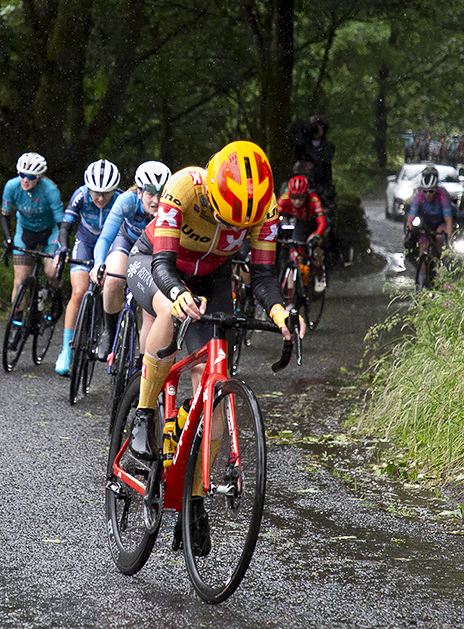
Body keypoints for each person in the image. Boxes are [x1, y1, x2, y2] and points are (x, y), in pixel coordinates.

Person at [125, 141, 301, 552]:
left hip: (212, 279)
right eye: (225, 218)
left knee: (213, 387)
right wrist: (176, 293)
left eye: (240, 225)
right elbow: (163, 264)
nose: (231, 228)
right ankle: (142, 414)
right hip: (155, 262)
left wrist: (280, 313)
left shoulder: (266, 208)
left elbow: (261, 275)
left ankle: (195, 501)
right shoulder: (184, 185)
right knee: (170, 311)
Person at [89, 161, 171, 363]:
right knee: (114, 279)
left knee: (151, 312)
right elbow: (106, 237)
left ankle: (144, 363)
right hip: (126, 243)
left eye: (161, 194)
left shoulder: (171, 207)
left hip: (153, 252)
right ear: (140, 192)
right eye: (150, 193)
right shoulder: (126, 201)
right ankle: (109, 331)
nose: (156, 200)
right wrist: (99, 263)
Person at [54, 159, 121, 375]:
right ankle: (66, 349)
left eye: (106, 193)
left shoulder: (121, 199)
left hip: (111, 243)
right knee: (79, 291)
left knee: (110, 285)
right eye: (96, 192)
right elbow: (66, 224)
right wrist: (63, 247)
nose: (100, 198)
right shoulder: (81, 195)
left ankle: (109, 337)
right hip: (86, 240)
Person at [1, 152, 66, 312]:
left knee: (51, 272)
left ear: (39, 177)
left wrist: (63, 247)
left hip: (50, 232)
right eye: (22, 174)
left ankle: (57, 295)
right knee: (19, 281)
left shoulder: (50, 191)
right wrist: (8, 238)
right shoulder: (11, 186)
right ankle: (16, 320)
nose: (25, 179)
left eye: (30, 176)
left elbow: (62, 223)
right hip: (25, 232)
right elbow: (5, 216)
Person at [276, 174, 329, 293]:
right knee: (294, 252)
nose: (297, 201)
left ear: (306, 195)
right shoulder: (284, 199)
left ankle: (319, 275)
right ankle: (292, 292)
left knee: (315, 249)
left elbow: (322, 222)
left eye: (301, 197)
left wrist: (316, 235)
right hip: (299, 224)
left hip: (314, 225)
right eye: (294, 197)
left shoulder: (314, 199)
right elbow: (274, 217)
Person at [404, 165, 454, 257]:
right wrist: (408, 233)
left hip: (440, 223)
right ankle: (422, 268)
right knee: (423, 247)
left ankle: (441, 257)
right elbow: (411, 215)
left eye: (431, 191)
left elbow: (448, 219)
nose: (427, 195)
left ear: (436, 190)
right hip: (427, 223)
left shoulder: (443, 196)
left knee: (439, 236)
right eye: (425, 191)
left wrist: (449, 238)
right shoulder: (419, 196)